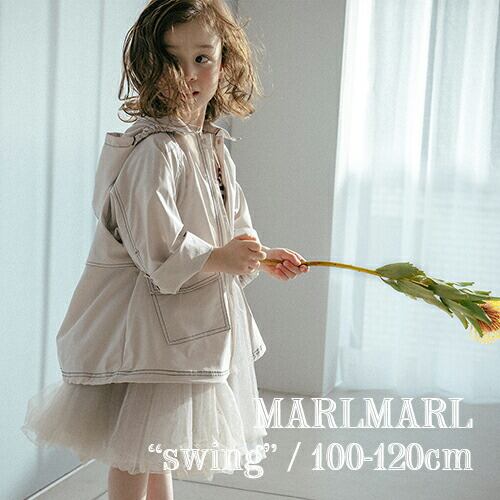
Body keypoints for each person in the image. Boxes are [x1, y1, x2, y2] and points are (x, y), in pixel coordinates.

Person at [21, 1, 309, 499]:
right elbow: (157, 245)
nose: (190, 74)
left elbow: (229, 224)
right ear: (150, 65)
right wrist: (220, 258)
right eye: (173, 59)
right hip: (149, 327)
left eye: (202, 58)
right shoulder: (156, 150)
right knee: (137, 450)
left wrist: (259, 255)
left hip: (181, 324)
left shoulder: (211, 147)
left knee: (159, 446)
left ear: (224, 62)